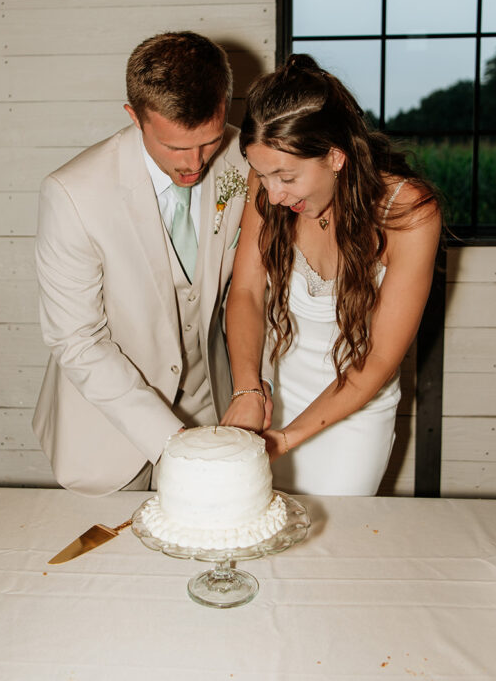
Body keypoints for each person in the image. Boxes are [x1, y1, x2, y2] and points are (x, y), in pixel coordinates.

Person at [33, 31, 258, 494]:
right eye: (175, 147)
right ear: (134, 117)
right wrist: (171, 442)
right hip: (106, 430)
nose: (194, 163)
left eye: (209, 141)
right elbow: (76, 339)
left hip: (213, 404)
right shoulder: (74, 193)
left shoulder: (246, 161)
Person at [221, 54, 441, 495]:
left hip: (354, 410)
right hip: (274, 397)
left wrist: (286, 439)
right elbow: (244, 291)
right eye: (262, 175)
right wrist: (247, 390)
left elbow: (377, 358)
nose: (273, 194)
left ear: (335, 157)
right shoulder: (267, 184)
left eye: (286, 177)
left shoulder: (409, 213)